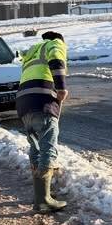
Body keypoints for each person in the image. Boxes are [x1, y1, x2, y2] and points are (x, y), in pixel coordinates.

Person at [16, 30, 68, 213]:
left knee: (36, 146)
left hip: (23, 102)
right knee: (48, 146)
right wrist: (61, 87)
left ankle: (40, 194)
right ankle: (43, 199)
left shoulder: (32, 51)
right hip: (42, 100)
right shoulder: (55, 44)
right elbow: (56, 60)